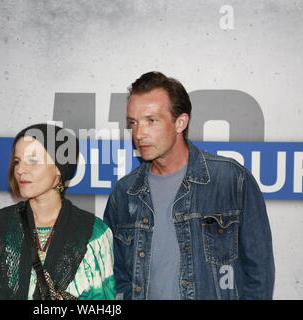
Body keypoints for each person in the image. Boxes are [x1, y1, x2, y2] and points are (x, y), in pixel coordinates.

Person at [103, 71, 275, 300]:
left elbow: (259, 275)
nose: (139, 133)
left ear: (180, 122)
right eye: (133, 123)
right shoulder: (124, 193)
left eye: (151, 120)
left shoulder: (231, 180)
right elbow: (116, 276)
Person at [0, 123, 116, 300]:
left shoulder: (94, 233)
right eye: (17, 161)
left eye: (32, 160)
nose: (20, 170)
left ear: (58, 166)